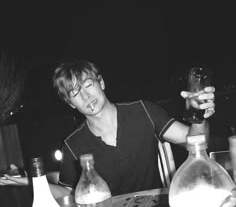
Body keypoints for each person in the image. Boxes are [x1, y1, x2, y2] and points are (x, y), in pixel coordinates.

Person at [0, 60, 215, 198]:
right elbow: (68, 192)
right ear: (70, 104)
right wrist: (30, 181)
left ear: (101, 83)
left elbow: (196, 143)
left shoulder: (143, 111)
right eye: (75, 94)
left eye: (88, 85)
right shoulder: (73, 144)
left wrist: (199, 116)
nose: (86, 96)